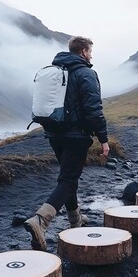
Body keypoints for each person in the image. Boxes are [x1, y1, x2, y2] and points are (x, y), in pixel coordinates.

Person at [24, 36, 109, 251]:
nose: (91, 55)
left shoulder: (55, 70)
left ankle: (75, 219)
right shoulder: (85, 73)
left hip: (54, 133)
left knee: (68, 177)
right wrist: (103, 138)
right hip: (76, 135)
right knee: (69, 180)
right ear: (82, 52)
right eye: (90, 51)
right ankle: (41, 221)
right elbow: (93, 108)